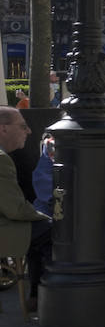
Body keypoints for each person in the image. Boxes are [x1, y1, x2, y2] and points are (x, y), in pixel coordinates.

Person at [1, 108, 50, 299]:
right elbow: (15, 209)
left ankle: (38, 297)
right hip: (5, 229)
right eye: (23, 126)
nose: (29, 131)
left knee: (41, 230)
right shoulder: (1, 160)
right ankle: (50, 298)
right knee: (56, 232)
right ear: (3, 129)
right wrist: (44, 216)